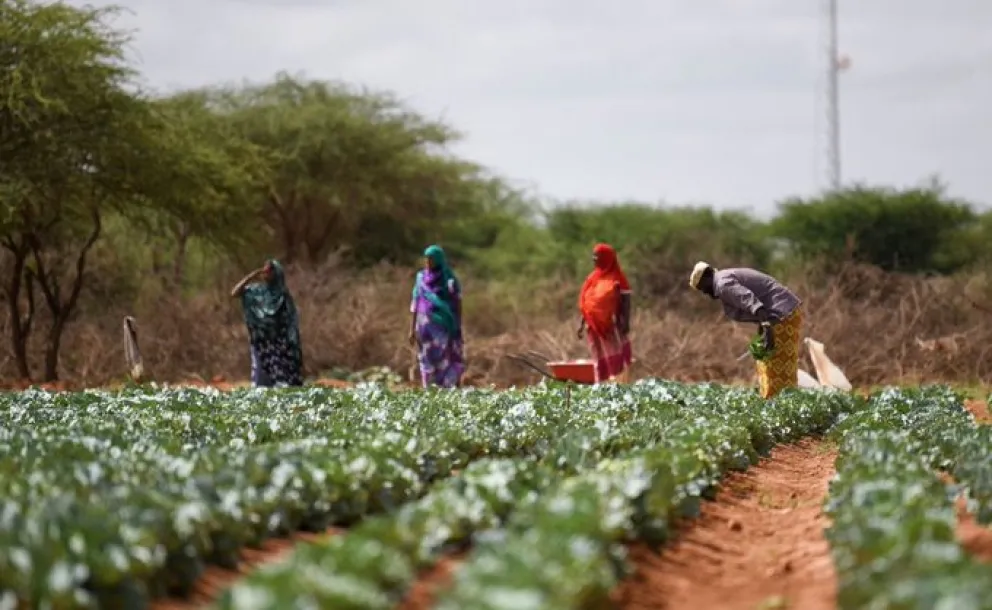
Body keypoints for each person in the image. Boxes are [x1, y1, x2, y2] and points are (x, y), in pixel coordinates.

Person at [688, 261, 803, 399]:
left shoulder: (722, 284)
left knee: (778, 365)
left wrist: (767, 327)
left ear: (707, 277)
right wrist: (763, 325)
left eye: (703, 288)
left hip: (782, 314)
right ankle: (773, 400)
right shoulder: (724, 279)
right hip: (779, 314)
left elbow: (750, 301)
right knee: (768, 362)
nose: (706, 293)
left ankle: (782, 403)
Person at [230, 259, 304, 387]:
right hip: (261, 341)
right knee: (260, 374)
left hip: (279, 343)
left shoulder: (283, 295)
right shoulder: (256, 291)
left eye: (269, 271)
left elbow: (289, 320)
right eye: (264, 271)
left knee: (281, 376)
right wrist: (251, 276)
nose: (265, 274)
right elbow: (234, 293)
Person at [408, 245, 465, 388]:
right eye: (426, 258)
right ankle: (428, 390)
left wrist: (457, 326)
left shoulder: (449, 280)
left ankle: (444, 390)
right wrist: (411, 329)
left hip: (442, 327)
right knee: (424, 358)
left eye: (431, 258)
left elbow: (457, 303)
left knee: (442, 359)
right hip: (423, 328)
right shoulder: (420, 278)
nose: (428, 261)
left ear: (439, 259)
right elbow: (415, 302)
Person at [577, 243, 633, 383]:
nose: (594, 258)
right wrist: (581, 323)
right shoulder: (592, 278)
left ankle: (619, 385)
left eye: (598, 256)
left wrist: (625, 322)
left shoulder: (617, 278)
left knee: (615, 355)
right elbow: (587, 303)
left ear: (607, 258)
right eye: (593, 255)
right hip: (593, 326)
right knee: (598, 356)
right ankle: (602, 386)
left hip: (611, 325)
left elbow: (626, 302)